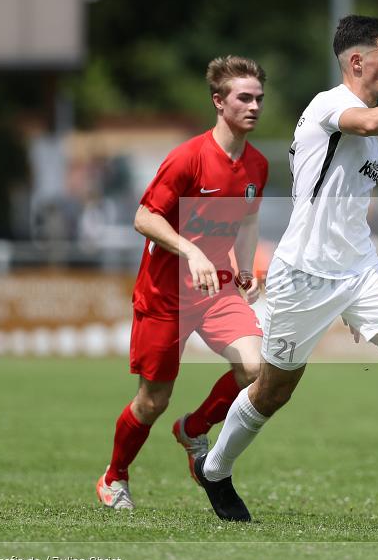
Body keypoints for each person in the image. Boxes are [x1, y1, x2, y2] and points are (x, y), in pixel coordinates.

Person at [190, 15, 378, 532]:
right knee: (272, 391)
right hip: (304, 276)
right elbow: (371, 123)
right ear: (357, 62)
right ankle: (214, 469)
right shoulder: (330, 105)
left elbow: (349, 210)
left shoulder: (366, 131)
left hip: (359, 272)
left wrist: (356, 300)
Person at [96, 56, 268, 510]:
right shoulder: (188, 158)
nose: (253, 106)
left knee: (257, 368)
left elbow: (248, 221)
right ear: (218, 102)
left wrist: (246, 268)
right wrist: (191, 250)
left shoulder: (257, 165)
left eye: (258, 99)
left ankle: (194, 429)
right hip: (163, 295)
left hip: (216, 290)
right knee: (152, 401)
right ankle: (114, 477)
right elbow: (143, 217)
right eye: (243, 98)